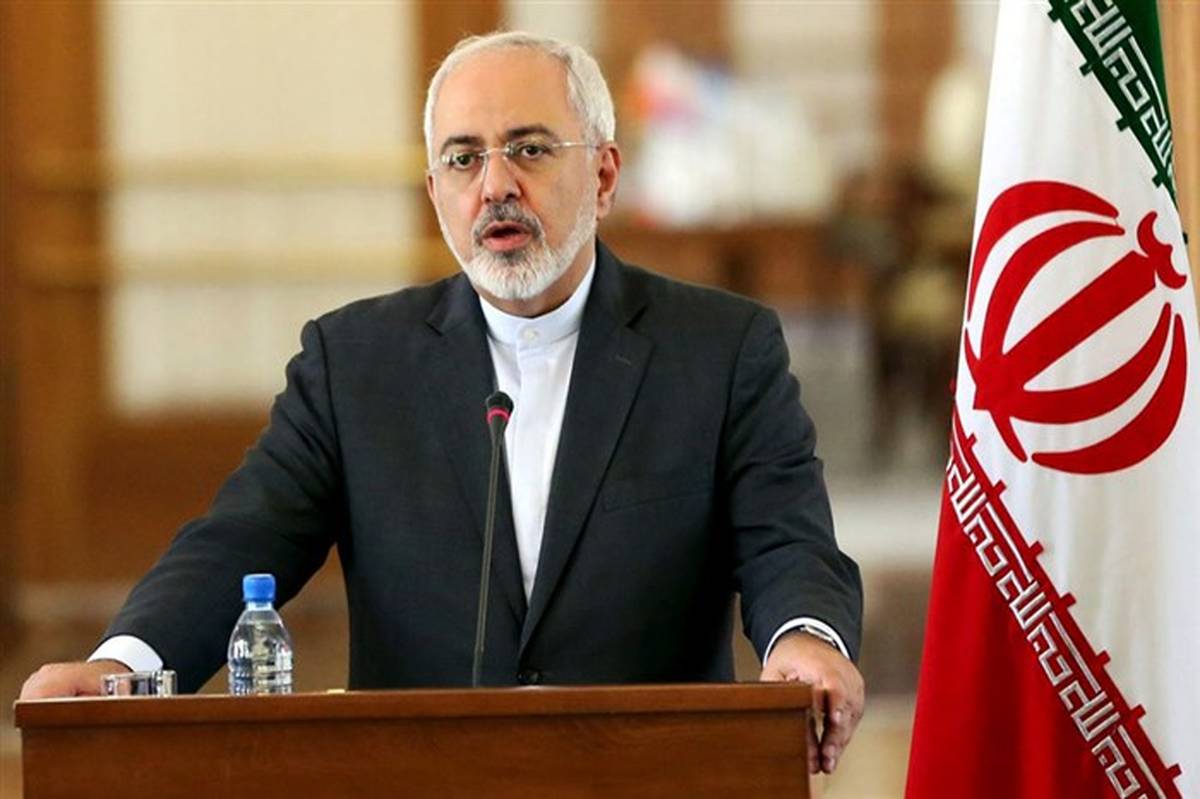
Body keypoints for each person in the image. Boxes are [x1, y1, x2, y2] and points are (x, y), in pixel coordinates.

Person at [20, 31, 865, 774]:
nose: (495, 185)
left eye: (529, 148)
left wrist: (804, 637)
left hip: (652, 772)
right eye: (464, 158)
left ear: (604, 175)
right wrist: (124, 663)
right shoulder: (355, 361)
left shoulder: (720, 349)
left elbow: (786, 539)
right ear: (435, 192)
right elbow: (242, 536)